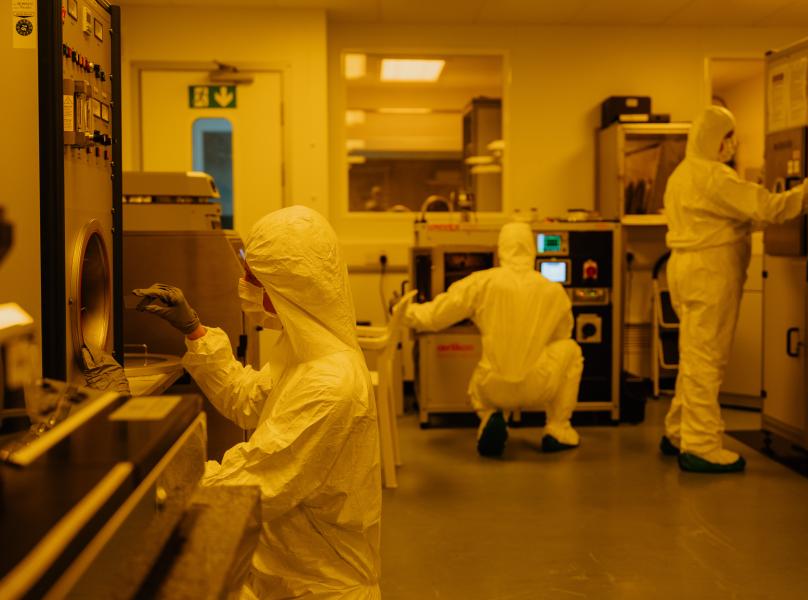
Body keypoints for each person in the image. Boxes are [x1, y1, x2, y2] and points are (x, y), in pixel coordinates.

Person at [133, 206, 381, 598]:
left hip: (317, 586)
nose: (243, 282)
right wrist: (194, 330)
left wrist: (153, 482)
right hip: (284, 571)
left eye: (252, 275)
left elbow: (251, 482)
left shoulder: (329, 385)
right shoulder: (303, 353)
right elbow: (248, 400)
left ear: (286, 285)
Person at [661, 106, 808, 473]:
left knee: (692, 354)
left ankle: (678, 431)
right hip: (709, 272)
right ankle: (700, 446)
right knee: (706, 360)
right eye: (729, 137)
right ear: (718, 140)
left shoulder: (680, 175)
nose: (732, 145)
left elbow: (730, 218)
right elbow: (768, 209)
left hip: (684, 269)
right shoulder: (715, 176)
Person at [400, 221, 583, 457]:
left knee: (486, 377)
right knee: (571, 349)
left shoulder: (482, 281)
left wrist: (406, 314)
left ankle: (490, 417)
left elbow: (436, 316)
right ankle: (558, 430)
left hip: (493, 387)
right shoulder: (553, 291)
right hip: (538, 387)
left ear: (501, 248)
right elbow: (562, 335)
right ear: (532, 249)